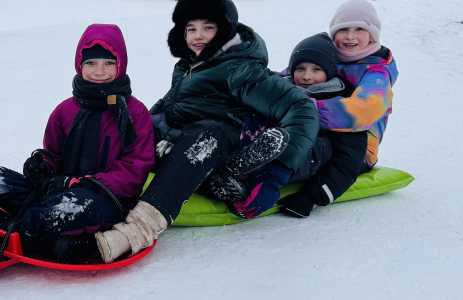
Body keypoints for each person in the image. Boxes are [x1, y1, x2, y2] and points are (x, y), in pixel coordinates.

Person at [92, 0, 320, 263]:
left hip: (219, 145)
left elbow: (301, 107)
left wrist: (276, 175)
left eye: (208, 27)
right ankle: (88, 188)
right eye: (191, 28)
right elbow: (166, 105)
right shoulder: (189, 64)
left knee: (204, 133)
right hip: (186, 145)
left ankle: (139, 229)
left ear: (225, 29)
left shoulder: (240, 69)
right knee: (129, 122)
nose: (198, 35)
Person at [0, 23, 154, 263]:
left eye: (108, 63)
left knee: (73, 206)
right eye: (91, 63)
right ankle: (32, 222)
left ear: (121, 65)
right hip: (60, 189)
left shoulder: (135, 113)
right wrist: (41, 166)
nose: (99, 71)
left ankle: (9, 230)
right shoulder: (65, 109)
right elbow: (53, 155)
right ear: (80, 65)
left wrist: (90, 184)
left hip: (106, 200)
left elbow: (135, 167)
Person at [279, 0, 398, 217]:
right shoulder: (326, 55)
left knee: (298, 148)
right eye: (343, 29)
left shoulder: (376, 74)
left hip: (355, 148)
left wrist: (304, 109)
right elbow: (284, 79)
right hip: (313, 132)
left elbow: (363, 110)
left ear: (372, 35)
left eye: (359, 29)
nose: (350, 36)